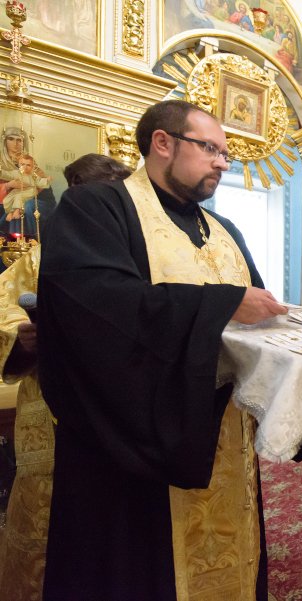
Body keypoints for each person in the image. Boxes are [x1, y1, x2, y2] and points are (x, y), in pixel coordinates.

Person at [36, 99, 291, 600]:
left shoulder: (225, 231)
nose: (223, 163)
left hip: (224, 438)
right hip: (131, 451)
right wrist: (222, 305)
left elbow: (254, 315)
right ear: (163, 143)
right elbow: (96, 311)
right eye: (210, 149)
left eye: (225, 153)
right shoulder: (97, 208)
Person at [0, 153, 132, 601]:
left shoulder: (143, 253)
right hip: (52, 405)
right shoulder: (39, 257)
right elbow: (4, 309)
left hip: (124, 412)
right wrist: (23, 339)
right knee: (49, 515)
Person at [3, 154, 50, 226]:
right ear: (19, 165)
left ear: (32, 167)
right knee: (7, 199)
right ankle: (10, 212)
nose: (25, 167)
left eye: (28, 165)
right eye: (22, 164)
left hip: (30, 190)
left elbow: (39, 182)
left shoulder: (33, 175)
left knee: (19, 197)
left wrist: (46, 180)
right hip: (19, 190)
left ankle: (17, 210)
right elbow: (7, 174)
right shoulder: (16, 173)